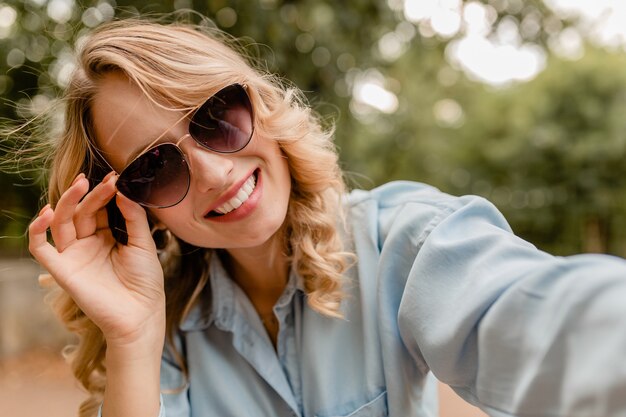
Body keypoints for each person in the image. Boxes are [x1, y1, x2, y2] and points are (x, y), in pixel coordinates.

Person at [24, 17, 626, 417]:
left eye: (215, 115)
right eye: (155, 168)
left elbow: (553, 325)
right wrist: (132, 339)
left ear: (257, 101)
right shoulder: (161, 330)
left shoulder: (404, 241)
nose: (212, 172)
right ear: (132, 208)